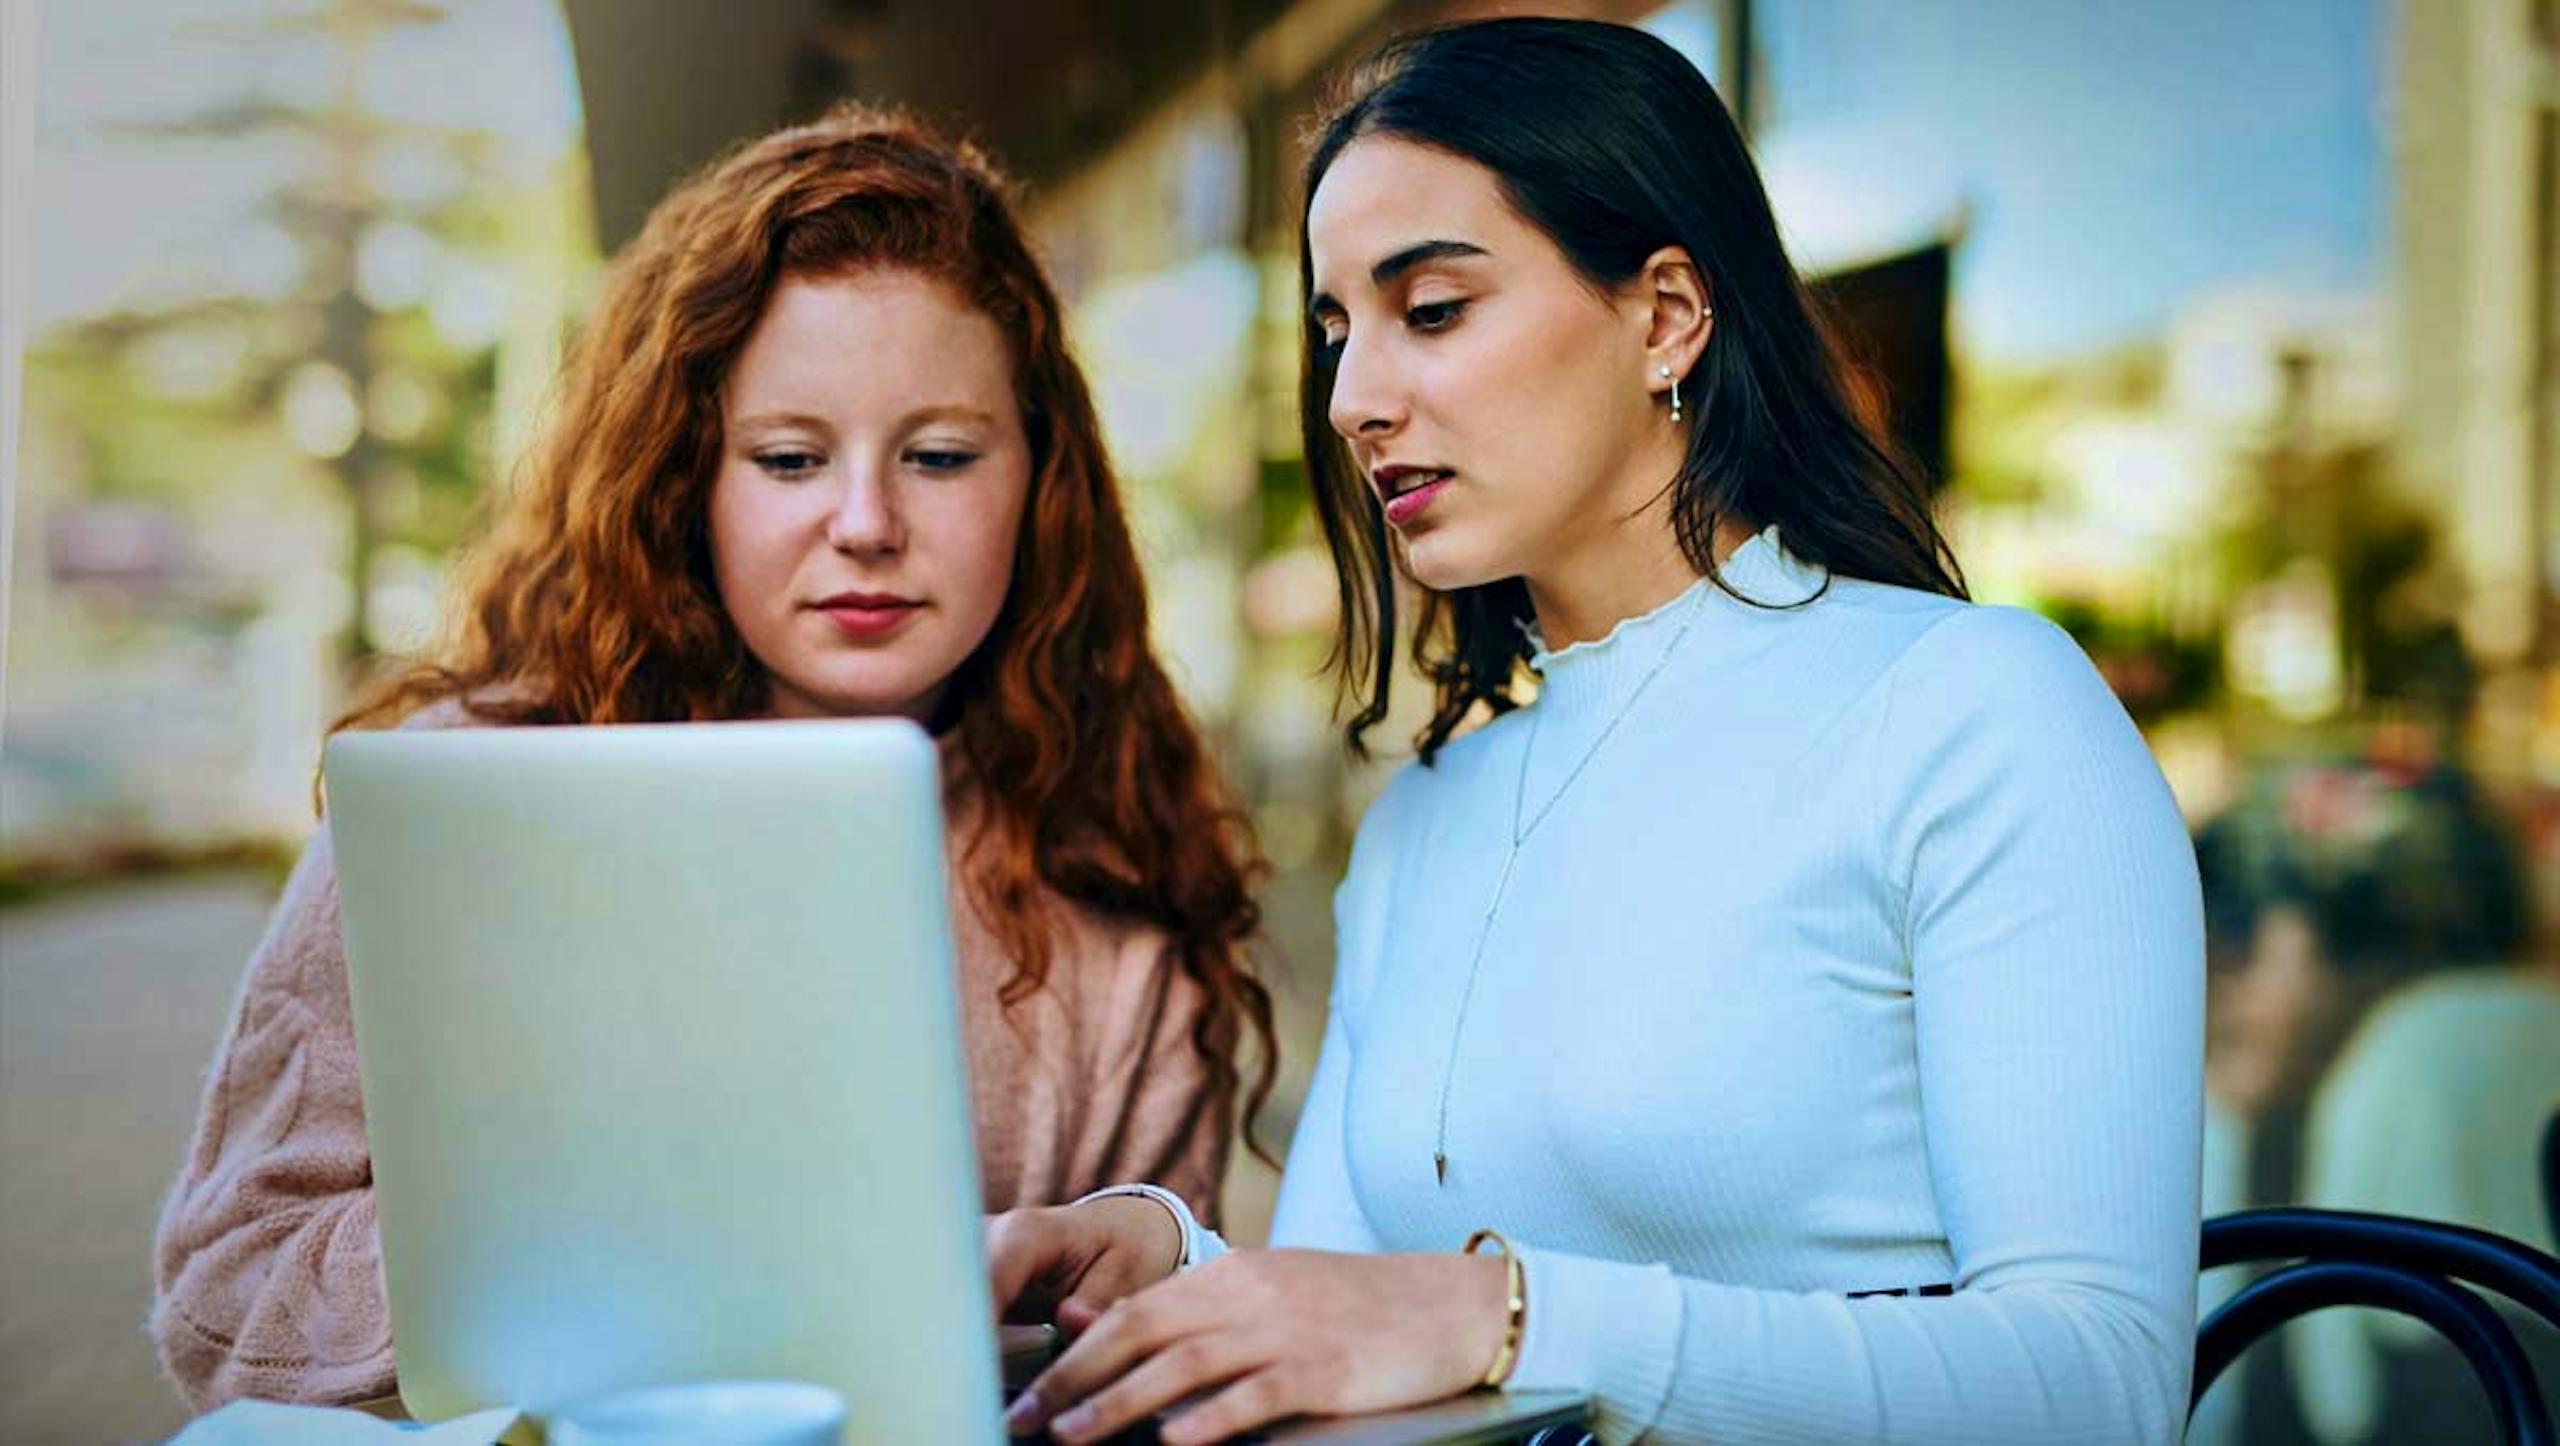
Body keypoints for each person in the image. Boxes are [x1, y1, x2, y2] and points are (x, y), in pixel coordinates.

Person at [987, 19, 2203, 1445]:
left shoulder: (1970, 708)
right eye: (1334, 333)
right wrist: (1171, 1270)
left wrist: (1515, 1315)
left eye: (1430, 309)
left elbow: (2103, 1387)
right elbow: (1368, 1301)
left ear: (1669, 315)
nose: (1355, 401)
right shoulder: (1430, 811)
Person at [150, 105, 1274, 1413]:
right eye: (790, 457)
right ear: (691, 476)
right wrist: (642, 1246)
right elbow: (229, 1293)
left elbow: (1148, 1381)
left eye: (942, 455)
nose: (866, 523)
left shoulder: (1123, 879)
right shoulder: (466, 800)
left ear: (1040, 478)